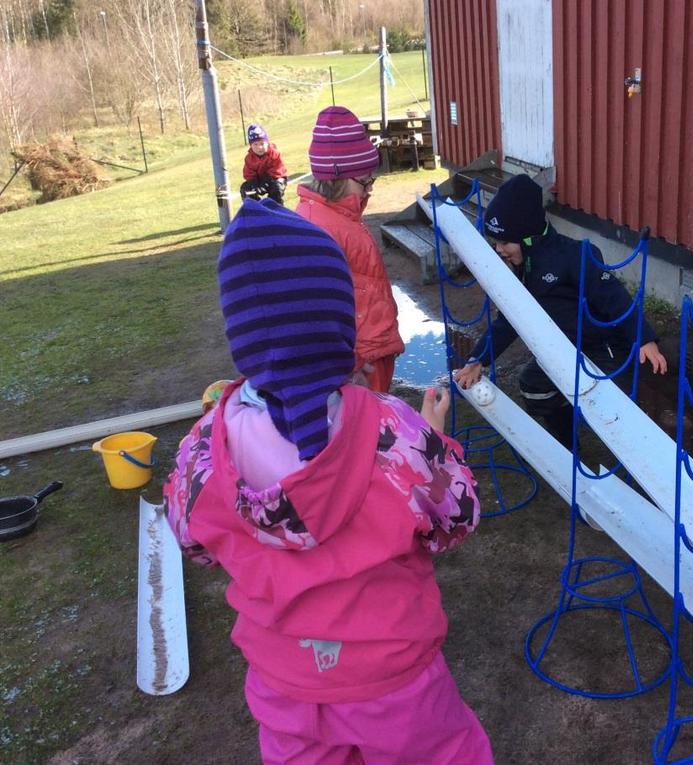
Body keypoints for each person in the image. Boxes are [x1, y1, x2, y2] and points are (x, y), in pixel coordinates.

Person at [164, 198, 493, 765]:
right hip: (396, 682)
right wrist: (438, 437)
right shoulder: (393, 431)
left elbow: (191, 542)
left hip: (284, 684)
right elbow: (456, 518)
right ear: (337, 325)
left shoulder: (201, 451)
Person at [453, 174, 667, 446]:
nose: (499, 250)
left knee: (615, 414)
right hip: (560, 348)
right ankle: (568, 442)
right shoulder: (521, 270)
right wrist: (478, 359)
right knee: (533, 386)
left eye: (505, 243)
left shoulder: (574, 256)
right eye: (495, 243)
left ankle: (636, 451)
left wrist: (644, 338)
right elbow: (509, 319)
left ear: (528, 236)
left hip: (603, 349)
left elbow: (615, 297)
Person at [295, 105, 404, 393]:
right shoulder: (317, 229)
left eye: (372, 179)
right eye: (364, 180)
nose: (370, 188)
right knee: (364, 433)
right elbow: (313, 311)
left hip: (372, 352)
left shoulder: (342, 217)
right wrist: (348, 365)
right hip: (356, 365)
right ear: (336, 177)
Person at [240, 123, 288, 203]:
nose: (259, 147)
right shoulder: (249, 158)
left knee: (277, 188)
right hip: (259, 180)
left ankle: (275, 207)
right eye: (255, 144)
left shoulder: (274, 154)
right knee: (245, 188)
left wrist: (265, 183)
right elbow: (249, 174)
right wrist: (254, 184)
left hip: (276, 178)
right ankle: (256, 208)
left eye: (262, 143)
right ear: (250, 145)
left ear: (267, 142)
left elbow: (276, 170)